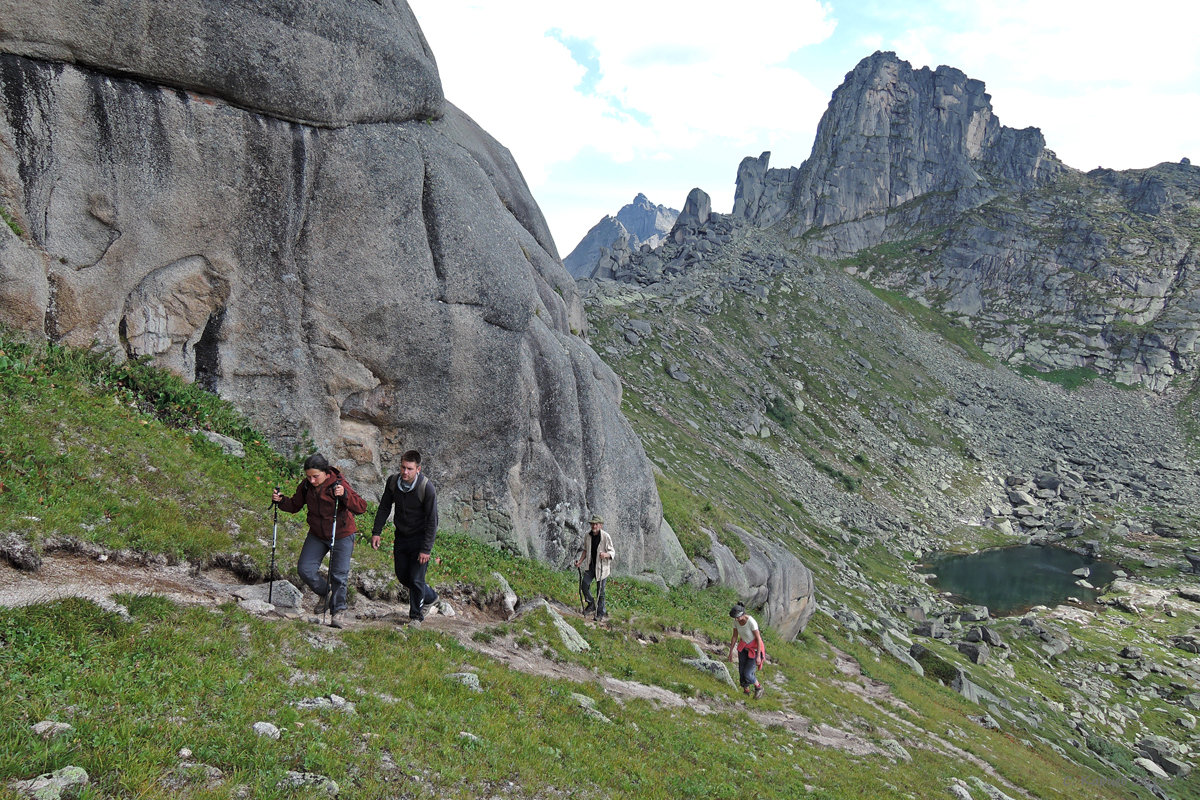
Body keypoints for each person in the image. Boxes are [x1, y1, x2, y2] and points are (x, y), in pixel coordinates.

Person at [272, 453, 366, 629]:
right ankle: (325, 592)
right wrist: (281, 501)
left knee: (339, 575)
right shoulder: (307, 486)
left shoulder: (338, 484)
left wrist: (344, 495)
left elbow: (361, 506)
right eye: (309, 476)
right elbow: (294, 505)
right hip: (317, 534)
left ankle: (338, 612)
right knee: (305, 569)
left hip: (341, 534)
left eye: (315, 476)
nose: (312, 480)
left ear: (326, 473)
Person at [371, 450, 439, 622]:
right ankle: (430, 596)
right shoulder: (393, 482)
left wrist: (426, 549)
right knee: (403, 576)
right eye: (403, 467)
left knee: (416, 579)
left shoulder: (426, 488)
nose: (405, 472)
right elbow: (385, 507)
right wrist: (376, 532)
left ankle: (416, 618)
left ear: (418, 469)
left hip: (420, 539)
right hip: (401, 536)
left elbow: (432, 520)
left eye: (409, 468)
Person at [573, 514, 614, 620]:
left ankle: (600, 613)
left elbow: (612, 552)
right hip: (591, 566)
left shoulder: (606, 536)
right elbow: (586, 550)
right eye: (592, 524)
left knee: (600, 591)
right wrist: (580, 562)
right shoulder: (587, 535)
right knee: (584, 585)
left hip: (602, 568)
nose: (594, 526)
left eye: (596, 524)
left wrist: (606, 555)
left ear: (600, 525)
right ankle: (591, 604)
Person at [728, 603, 766, 699]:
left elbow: (758, 639)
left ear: (742, 614)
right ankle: (746, 691)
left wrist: (758, 656)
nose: (736, 619)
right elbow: (735, 636)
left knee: (748, 673)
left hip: (755, 649)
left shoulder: (751, 622)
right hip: (743, 647)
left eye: (738, 617)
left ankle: (759, 687)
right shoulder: (736, 622)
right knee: (741, 671)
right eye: (735, 618)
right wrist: (731, 652)